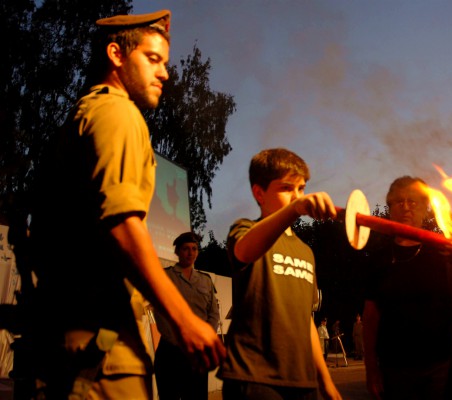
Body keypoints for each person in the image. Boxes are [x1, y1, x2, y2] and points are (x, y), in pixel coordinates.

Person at [29, 10, 225, 399]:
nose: (165, 73)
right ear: (116, 55)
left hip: (71, 340)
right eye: (152, 59)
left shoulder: (82, 115)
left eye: (165, 63)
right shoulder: (118, 112)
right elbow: (121, 223)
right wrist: (183, 319)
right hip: (102, 348)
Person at [217, 148, 342, 400]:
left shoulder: (305, 251)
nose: (297, 196)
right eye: (286, 188)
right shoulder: (244, 229)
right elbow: (244, 251)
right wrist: (294, 209)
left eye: (301, 188)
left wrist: (325, 382)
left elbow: (306, 319)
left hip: (302, 380)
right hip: (254, 377)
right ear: (259, 193)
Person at [362, 176, 452, 400]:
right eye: (399, 201)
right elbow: (371, 317)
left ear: (424, 208)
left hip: (442, 365)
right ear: (390, 209)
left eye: (413, 201)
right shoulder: (378, 260)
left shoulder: (444, 254)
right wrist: (371, 369)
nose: (405, 207)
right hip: (395, 368)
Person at [153, 232, 220, 400]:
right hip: (170, 351)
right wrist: (180, 339)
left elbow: (213, 313)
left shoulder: (205, 281)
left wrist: (203, 338)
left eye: (194, 249)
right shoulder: (166, 276)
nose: (190, 253)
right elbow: (160, 312)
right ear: (177, 252)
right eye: (185, 249)